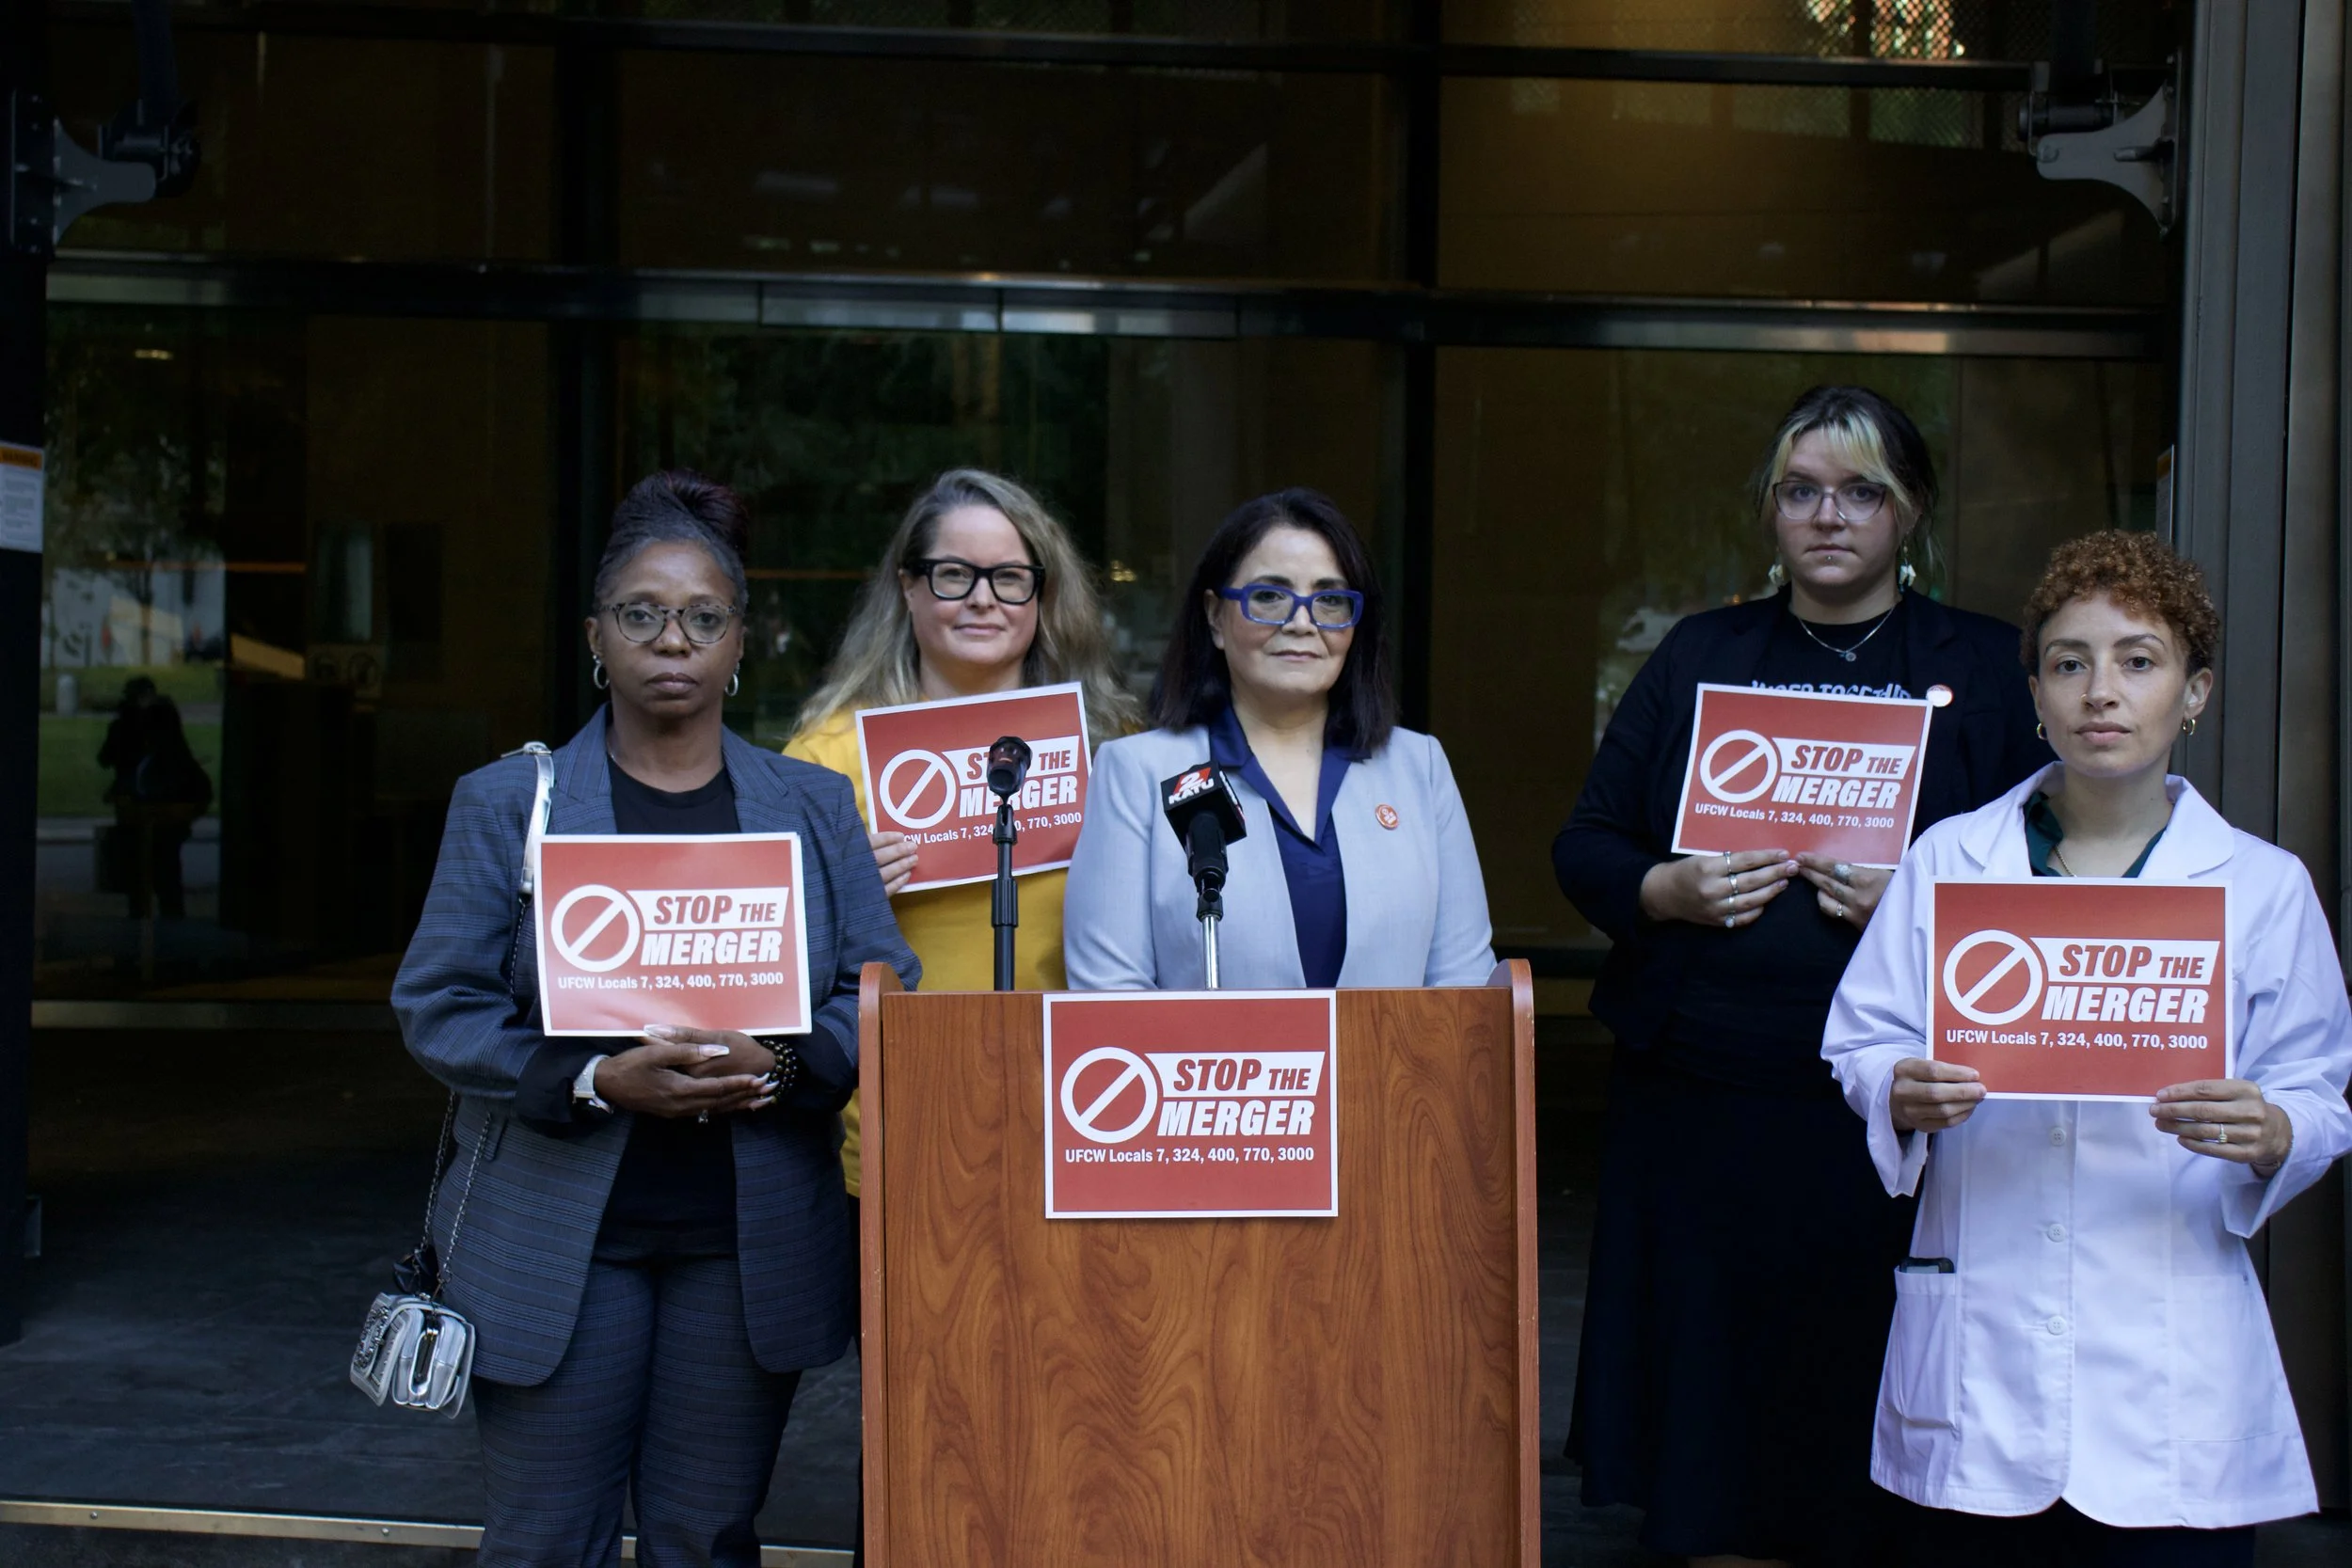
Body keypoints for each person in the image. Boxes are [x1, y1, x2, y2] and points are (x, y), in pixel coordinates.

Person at [1551, 386, 2049, 1565]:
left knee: (1859, 1350)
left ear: (1911, 509)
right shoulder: (1701, 651)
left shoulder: (1982, 665)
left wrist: (1923, 898)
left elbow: (2055, 873)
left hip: (1890, 1100)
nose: (1829, 516)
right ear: (1771, 511)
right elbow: (1589, 842)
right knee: (1713, 1368)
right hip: (1703, 1078)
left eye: (1861, 491)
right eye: (1801, 491)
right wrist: (1664, 889)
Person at [391, 471, 920, 1568]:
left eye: (701, 617)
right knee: (545, 1540)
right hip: (556, 1244)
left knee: (705, 1537)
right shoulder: (509, 801)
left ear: (740, 642)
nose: (670, 639)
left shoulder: (810, 803)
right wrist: (593, 1078)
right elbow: (438, 1004)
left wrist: (782, 1063)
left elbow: (882, 979)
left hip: (745, 1246)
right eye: (641, 613)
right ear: (598, 635)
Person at [1823, 531, 2352, 1564]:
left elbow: (2320, 1093)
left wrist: (2273, 1124)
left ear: (2193, 693)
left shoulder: (2261, 884)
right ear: (2033, 690)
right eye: (2068, 661)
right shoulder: (1951, 859)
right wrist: (1898, 1086)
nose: (2099, 690)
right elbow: (1862, 1038)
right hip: (1982, 1362)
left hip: (2168, 1380)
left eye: (2138, 660)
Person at [785, 467, 1140, 1196]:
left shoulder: (1113, 750)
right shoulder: (824, 760)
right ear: (909, 587)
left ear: (1042, 594)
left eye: (1010, 577)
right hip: (886, 1139)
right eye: (954, 574)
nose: (983, 597)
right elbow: (757, 962)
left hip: (1078, 1121)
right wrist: (837, 899)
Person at [1063, 486, 1493, 990]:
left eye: (1330, 600)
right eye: (1269, 596)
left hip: (1394, 1070)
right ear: (1215, 616)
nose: (1302, 622)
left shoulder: (1418, 767)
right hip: (1209, 1071)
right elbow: (1108, 996)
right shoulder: (1136, 773)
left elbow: (1464, 991)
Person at [99, 675, 211, 918]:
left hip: (153, 824)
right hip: (152, 824)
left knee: (152, 882)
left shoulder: (162, 758)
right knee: (161, 883)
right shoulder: (163, 756)